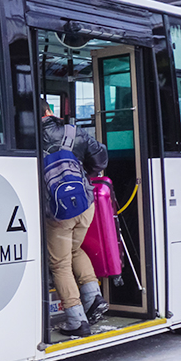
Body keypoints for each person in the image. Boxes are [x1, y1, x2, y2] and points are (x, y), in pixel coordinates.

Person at [41, 104, 110, 337]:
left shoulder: (29, 137)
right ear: (49, 110)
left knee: (59, 263)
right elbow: (100, 159)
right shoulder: (73, 131)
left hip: (58, 212)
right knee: (74, 249)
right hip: (85, 203)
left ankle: (76, 319)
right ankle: (93, 297)